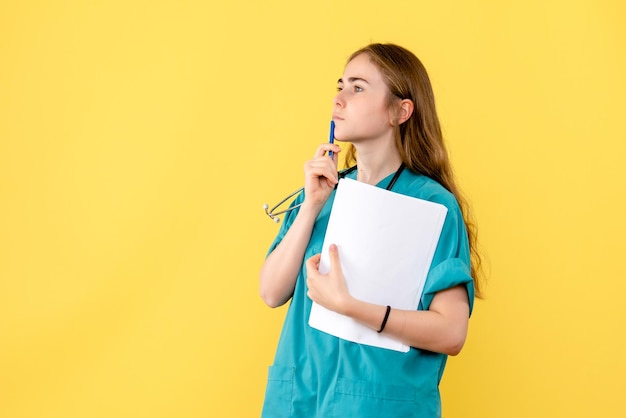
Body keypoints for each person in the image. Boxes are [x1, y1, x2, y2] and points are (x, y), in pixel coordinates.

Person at [259, 43, 482, 418]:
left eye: (358, 87)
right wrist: (312, 204)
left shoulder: (432, 204)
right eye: (340, 84)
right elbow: (271, 291)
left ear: (400, 110)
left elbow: (451, 332)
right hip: (300, 401)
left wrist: (351, 307)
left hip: (377, 406)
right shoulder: (320, 192)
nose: (339, 97)